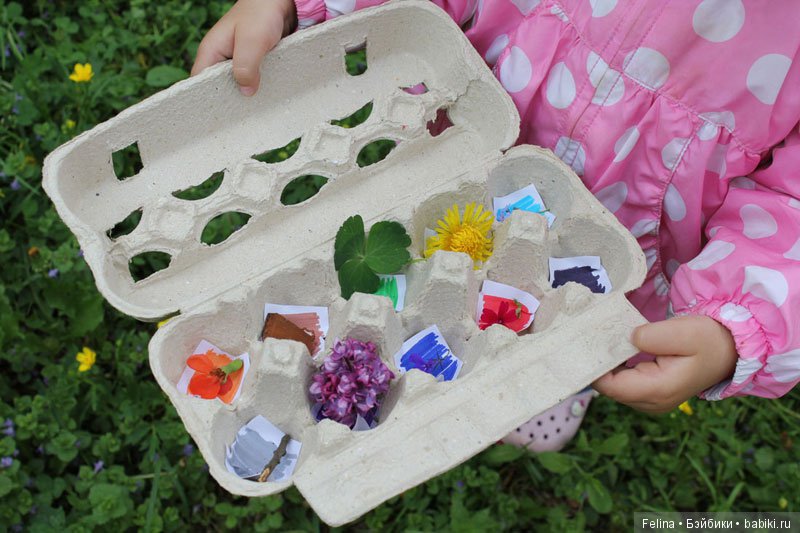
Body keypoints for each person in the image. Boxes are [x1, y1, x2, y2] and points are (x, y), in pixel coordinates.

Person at [192, 0, 800, 451]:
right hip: (458, 152)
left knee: (566, 311)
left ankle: (549, 374)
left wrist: (739, 327)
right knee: (423, 266)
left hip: (631, 232)